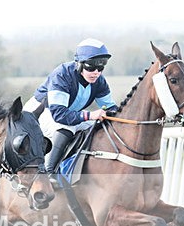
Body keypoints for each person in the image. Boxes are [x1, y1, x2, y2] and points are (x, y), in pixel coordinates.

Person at [24, 38, 120, 188]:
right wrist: (89, 115)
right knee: (66, 128)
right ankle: (49, 174)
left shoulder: (99, 81)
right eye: (91, 67)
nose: (96, 73)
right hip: (39, 113)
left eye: (100, 68)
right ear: (79, 63)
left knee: (97, 126)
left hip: (67, 113)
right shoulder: (62, 75)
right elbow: (59, 115)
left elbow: (110, 108)